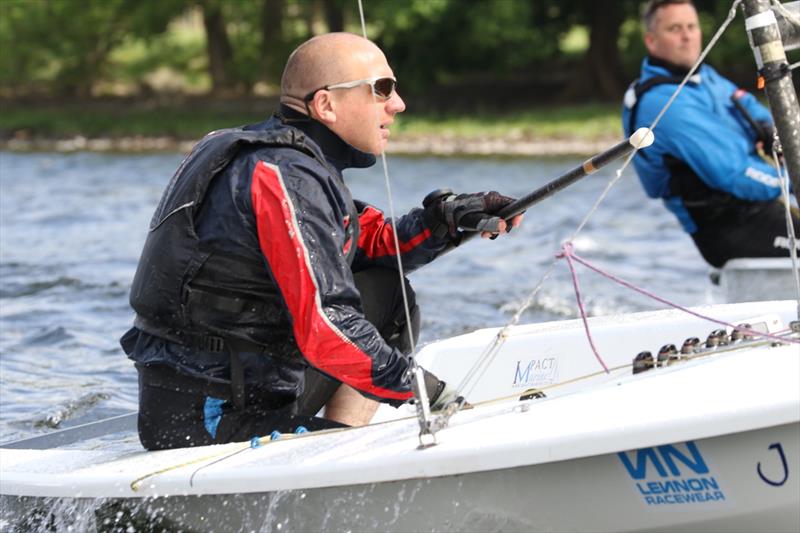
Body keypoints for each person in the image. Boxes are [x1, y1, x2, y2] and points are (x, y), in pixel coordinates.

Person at [120, 32, 523, 451]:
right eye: (381, 90)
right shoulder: (279, 174)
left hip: (257, 389)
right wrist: (432, 394)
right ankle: (335, 461)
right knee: (359, 320)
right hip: (206, 420)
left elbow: (371, 241)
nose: (398, 104)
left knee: (386, 294)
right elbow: (326, 326)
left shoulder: (290, 163)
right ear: (325, 105)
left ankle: (339, 441)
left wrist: (450, 219)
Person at [622, 0, 799, 268]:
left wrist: (779, 138)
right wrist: (791, 181)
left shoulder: (703, 77)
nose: (687, 36)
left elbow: (754, 111)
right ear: (651, 41)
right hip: (730, 229)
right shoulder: (662, 104)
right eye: (675, 28)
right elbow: (733, 174)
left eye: (692, 26)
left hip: (759, 206)